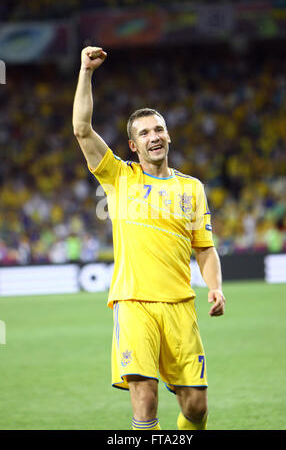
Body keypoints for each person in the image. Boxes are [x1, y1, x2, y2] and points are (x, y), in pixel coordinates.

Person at [72, 46, 226, 431]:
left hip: (180, 305)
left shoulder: (192, 188)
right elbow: (81, 129)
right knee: (145, 396)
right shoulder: (119, 177)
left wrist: (215, 287)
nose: (153, 136)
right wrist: (86, 73)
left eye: (158, 129)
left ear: (168, 135)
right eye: (144, 133)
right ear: (133, 146)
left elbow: (204, 248)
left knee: (196, 407)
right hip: (133, 301)